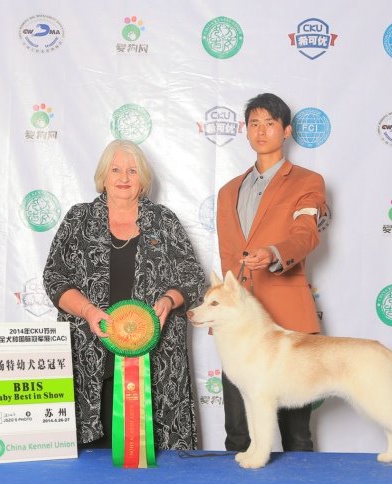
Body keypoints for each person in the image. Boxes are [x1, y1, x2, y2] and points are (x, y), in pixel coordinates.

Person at [43, 139, 205, 450]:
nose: (124, 178)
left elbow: (192, 277)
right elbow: (54, 277)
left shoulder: (163, 220)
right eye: (115, 170)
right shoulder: (78, 219)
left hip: (156, 364)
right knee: (91, 462)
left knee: (155, 462)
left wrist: (169, 300)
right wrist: (88, 311)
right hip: (90, 361)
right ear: (103, 176)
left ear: (143, 179)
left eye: (132, 171)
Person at [215, 92, 328, 453]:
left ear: (287, 131)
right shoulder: (227, 191)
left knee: (296, 436)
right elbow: (228, 258)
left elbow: (306, 234)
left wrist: (274, 253)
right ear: (246, 131)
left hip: (288, 319)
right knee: (237, 433)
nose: (261, 131)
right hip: (238, 328)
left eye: (270, 123)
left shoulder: (308, 181)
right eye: (254, 124)